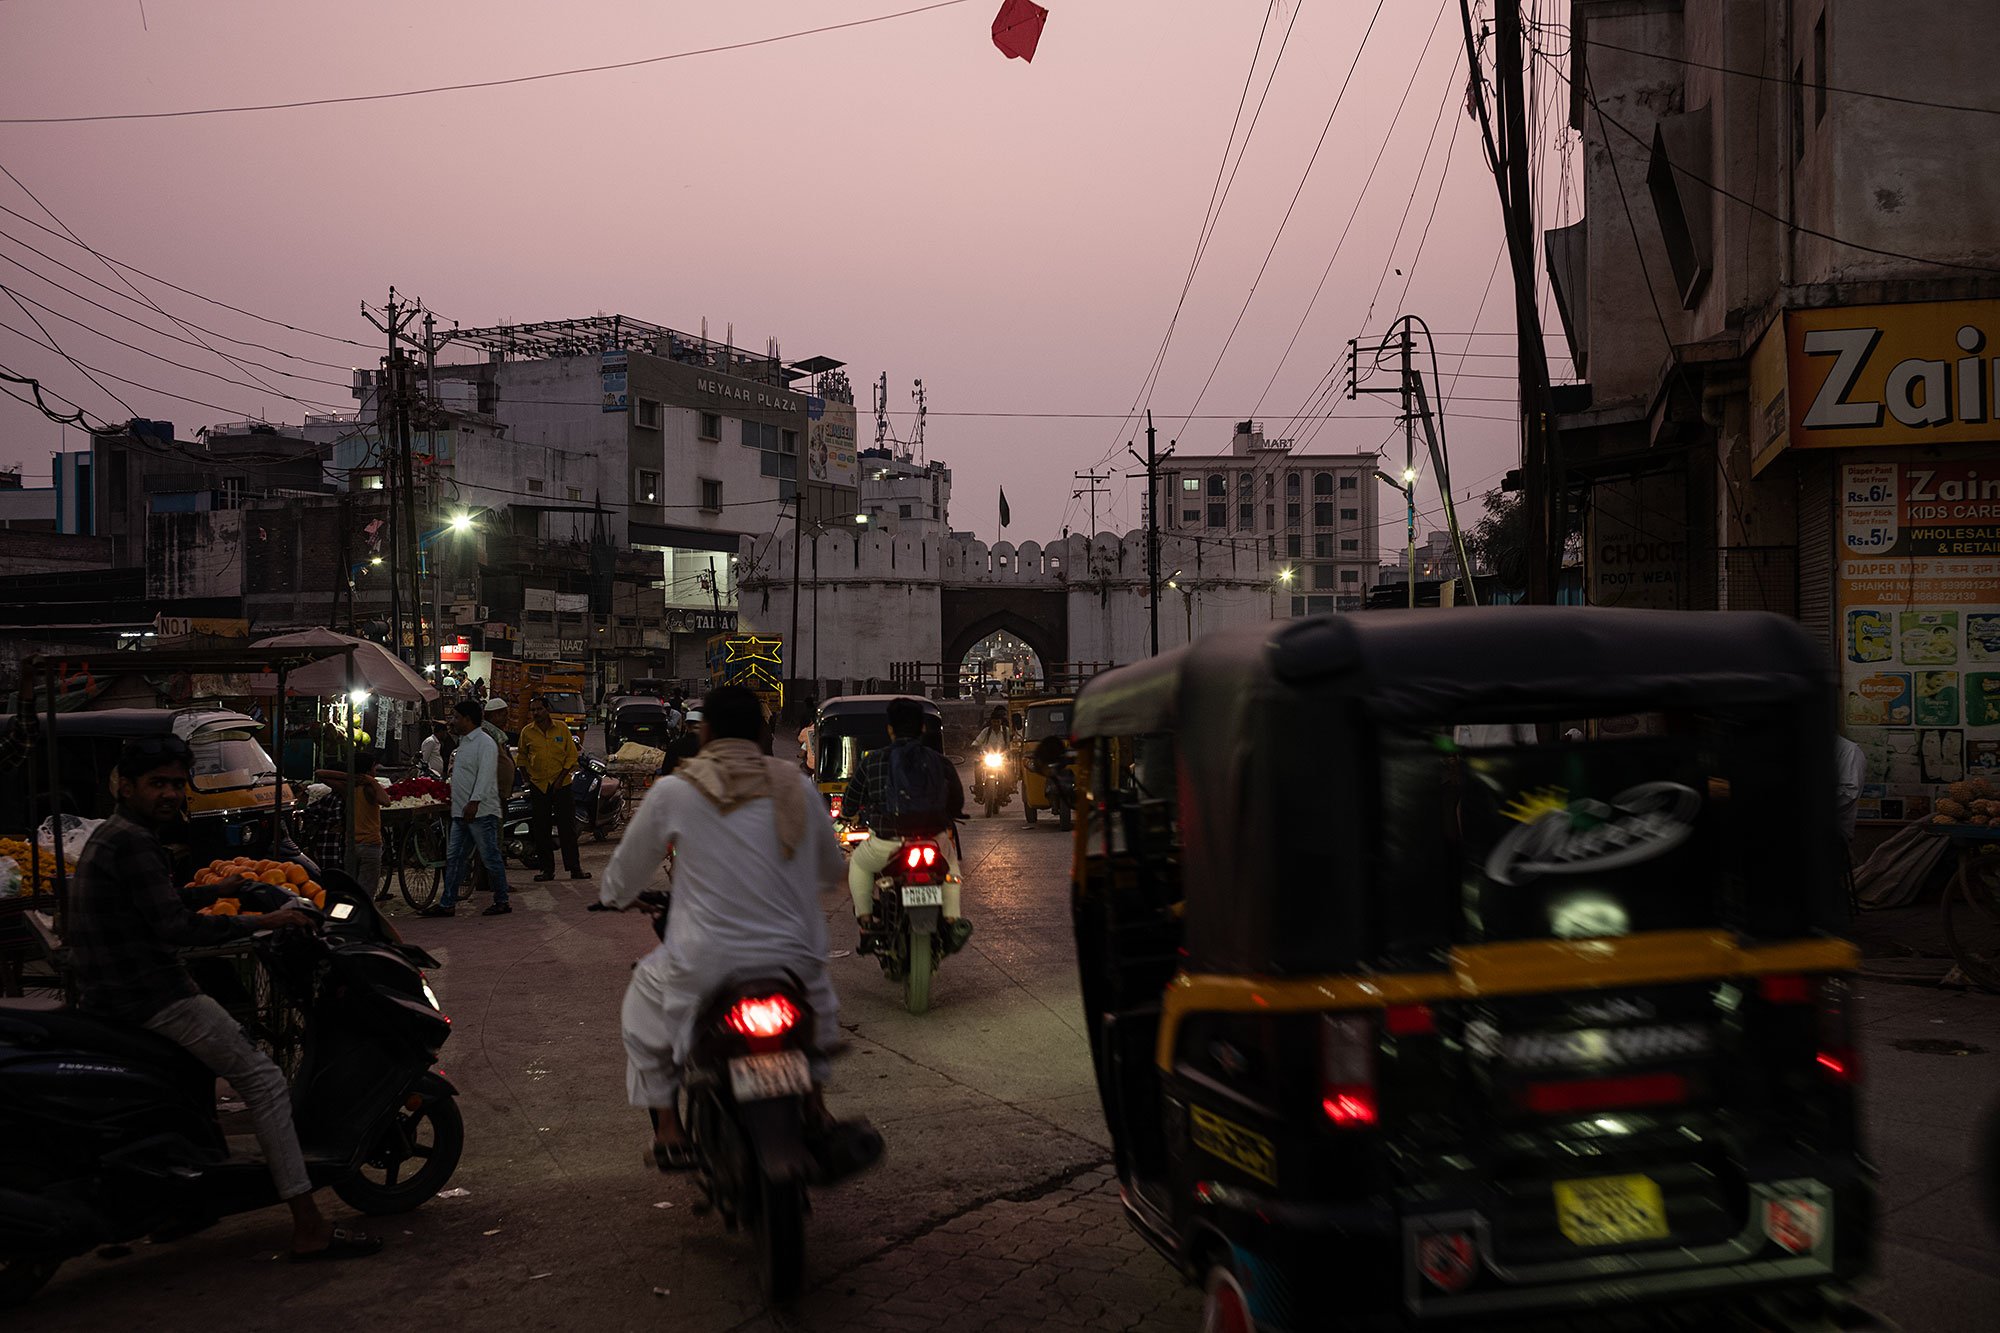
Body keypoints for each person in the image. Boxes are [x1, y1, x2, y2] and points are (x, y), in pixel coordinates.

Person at [65, 735, 380, 1262]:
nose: (169, 794)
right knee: (264, 1079)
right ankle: (307, 1223)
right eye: (156, 783)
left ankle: (181, 1208)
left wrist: (220, 887)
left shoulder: (118, 835)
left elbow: (161, 902)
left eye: (175, 784)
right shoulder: (135, 843)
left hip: (111, 996)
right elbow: (177, 928)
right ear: (125, 785)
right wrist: (267, 919)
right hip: (152, 996)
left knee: (189, 1089)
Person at [600, 686, 846, 1169]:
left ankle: (669, 1130)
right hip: (795, 961)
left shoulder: (677, 788)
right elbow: (831, 871)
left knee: (644, 1012)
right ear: (762, 733)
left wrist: (614, 897)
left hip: (704, 963)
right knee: (816, 1019)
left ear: (704, 732)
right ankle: (815, 1106)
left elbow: (623, 877)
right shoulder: (795, 785)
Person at [845, 697, 970, 949]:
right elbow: (957, 801)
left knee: (858, 863)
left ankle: (866, 918)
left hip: (886, 844)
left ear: (889, 729)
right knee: (951, 870)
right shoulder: (939, 761)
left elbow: (850, 802)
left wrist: (851, 813)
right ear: (922, 728)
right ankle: (952, 918)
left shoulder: (872, 762)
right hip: (932, 840)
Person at [424, 700, 511, 918]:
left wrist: (474, 801)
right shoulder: (464, 743)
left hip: (481, 812)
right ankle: (448, 903)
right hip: (462, 813)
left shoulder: (485, 743)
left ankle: (502, 900)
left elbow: (485, 776)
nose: (452, 721)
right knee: (455, 859)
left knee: (490, 857)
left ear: (468, 719)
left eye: (456, 717)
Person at [519, 694, 589, 884]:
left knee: (567, 829)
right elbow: (522, 759)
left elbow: (571, 757)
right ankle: (547, 870)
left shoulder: (562, 729)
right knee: (541, 830)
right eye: (533, 710)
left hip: (562, 786)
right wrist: (528, 780)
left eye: (539, 709)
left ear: (547, 710)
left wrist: (560, 779)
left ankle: (574, 868)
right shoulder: (527, 732)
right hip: (539, 786)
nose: (536, 713)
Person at [315, 748, 387, 902]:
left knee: (353, 892)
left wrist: (351, 777)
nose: (376, 770)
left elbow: (320, 773)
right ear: (369, 769)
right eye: (374, 767)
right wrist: (370, 781)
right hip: (370, 846)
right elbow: (386, 801)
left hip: (351, 846)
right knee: (365, 895)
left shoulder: (348, 789)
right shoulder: (369, 788)